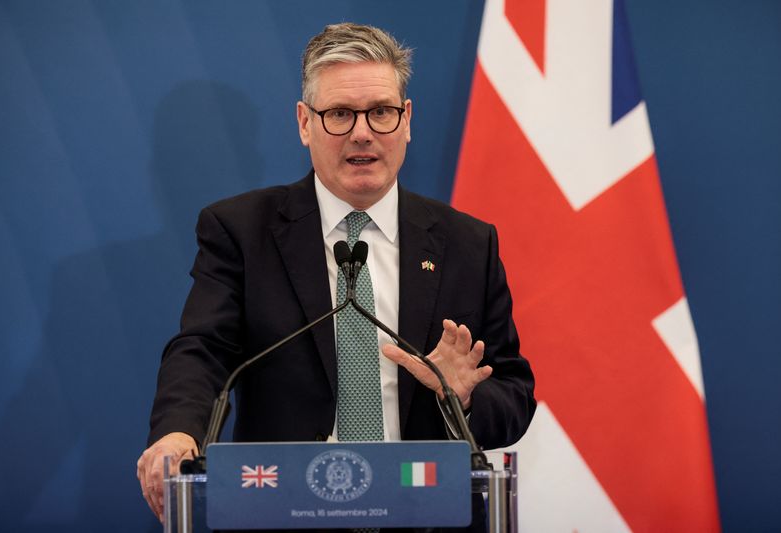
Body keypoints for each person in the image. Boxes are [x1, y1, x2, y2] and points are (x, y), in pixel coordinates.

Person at [137, 22, 536, 530]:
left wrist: (464, 396)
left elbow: (514, 395)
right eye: (340, 114)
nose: (363, 132)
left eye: (382, 112)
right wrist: (177, 433)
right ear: (305, 123)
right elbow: (203, 349)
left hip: (428, 513)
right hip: (285, 512)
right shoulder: (241, 231)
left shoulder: (467, 244)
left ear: (407, 119)